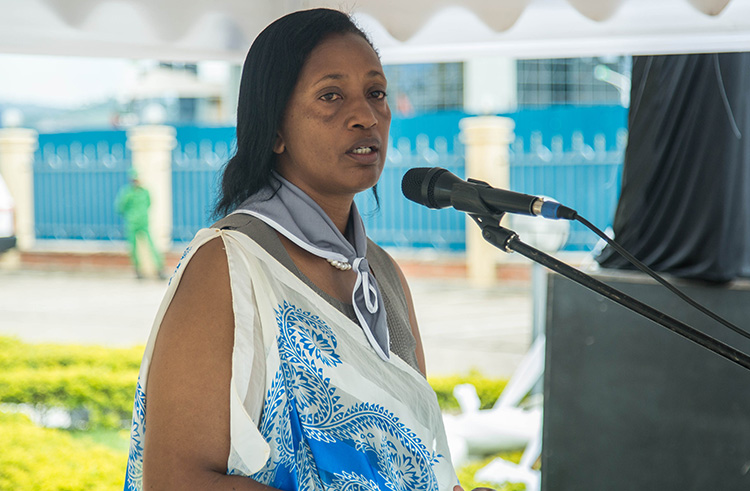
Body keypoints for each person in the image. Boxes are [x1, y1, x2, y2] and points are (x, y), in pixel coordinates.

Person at [123, 9, 493, 491]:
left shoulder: (383, 275)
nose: (365, 115)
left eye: (376, 93)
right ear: (274, 128)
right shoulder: (229, 264)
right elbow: (175, 481)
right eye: (331, 96)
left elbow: (414, 459)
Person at [115, 170, 165, 279]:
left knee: (151, 245)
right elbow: (120, 207)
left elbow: (149, 203)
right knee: (133, 248)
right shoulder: (126, 192)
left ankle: (159, 269)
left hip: (144, 222)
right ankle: (138, 271)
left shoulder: (145, 192)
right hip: (132, 223)